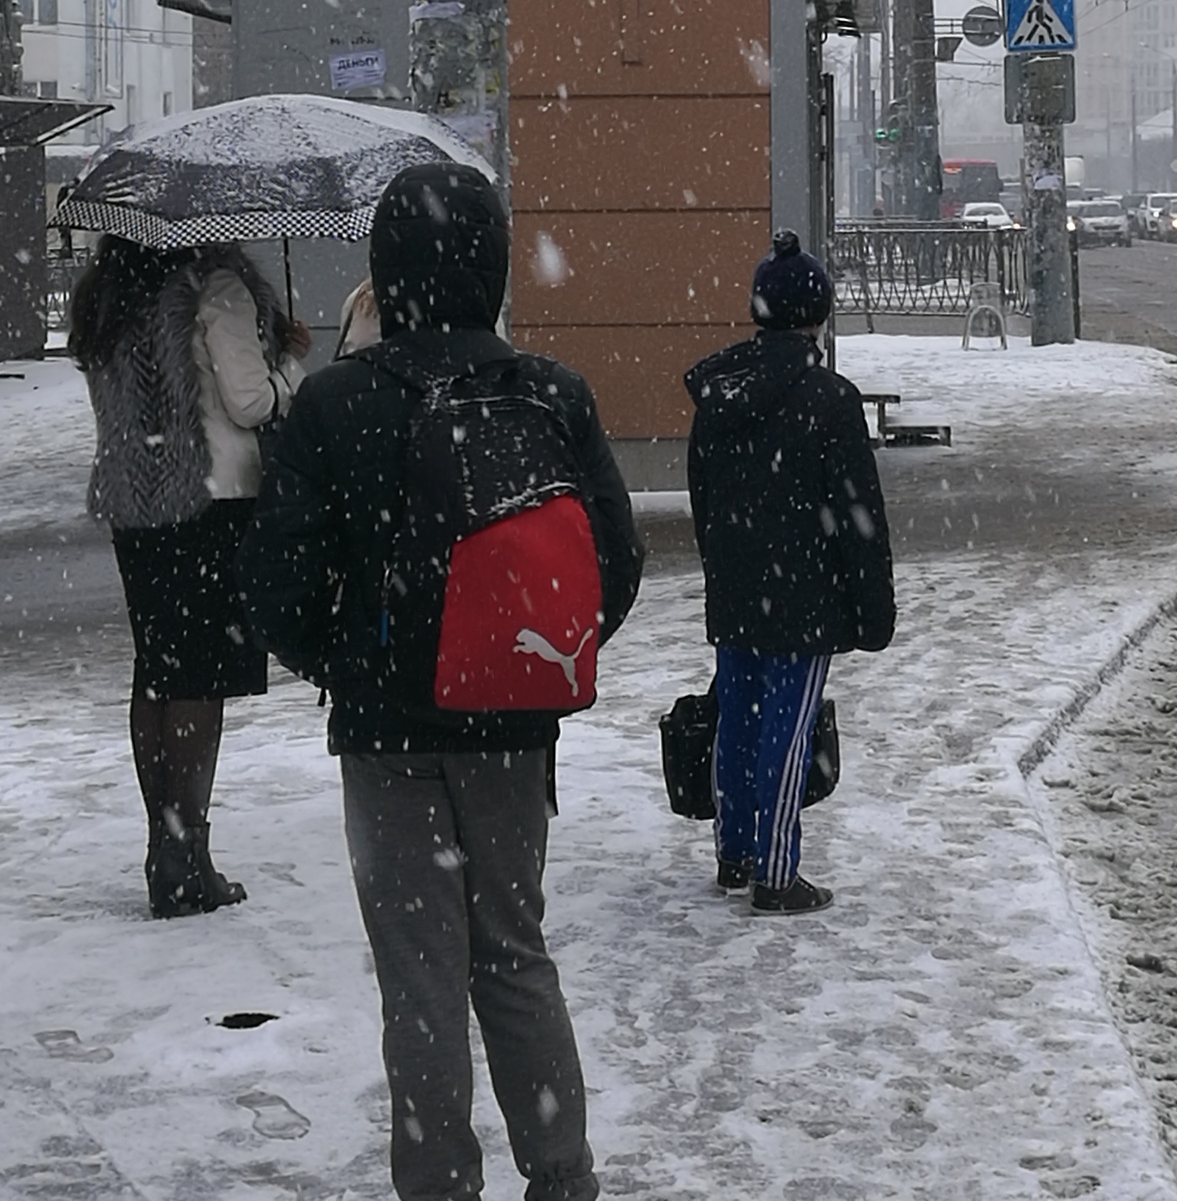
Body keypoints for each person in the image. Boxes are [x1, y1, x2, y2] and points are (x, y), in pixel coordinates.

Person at [240, 162, 643, 1201]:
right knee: (513, 950)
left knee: (420, 978)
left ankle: (438, 1185)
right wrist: (529, 661)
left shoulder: (334, 404)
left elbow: (275, 582)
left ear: (384, 273)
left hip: (386, 737)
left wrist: (345, 661)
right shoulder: (549, 393)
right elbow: (615, 562)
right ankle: (561, 1176)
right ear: (494, 271)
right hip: (511, 728)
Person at [68, 236, 307, 918]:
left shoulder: (106, 295)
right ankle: (189, 855)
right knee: (199, 675)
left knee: (158, 670)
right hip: (210, 501)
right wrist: (287, 358)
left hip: (136, 505)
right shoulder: (218, 286)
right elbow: (251, 403)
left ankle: (163, 846)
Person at [685, 229, 896, 916]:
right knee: (787, 726)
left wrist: (723, 560)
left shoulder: (718, 393)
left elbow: (703, 497)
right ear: (817, 316)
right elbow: (859, 513)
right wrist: (872, 609)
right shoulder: (829, 399)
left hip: (737, 584)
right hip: (805, 593)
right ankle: (777, 873)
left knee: (737, 717)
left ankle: (736, 850)